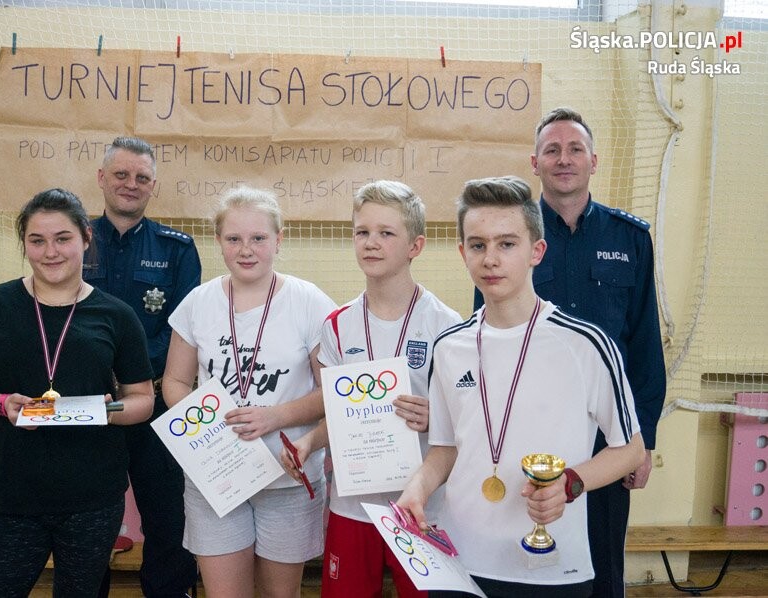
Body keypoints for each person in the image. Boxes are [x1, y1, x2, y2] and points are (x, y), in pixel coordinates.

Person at [399, 176, 645, 598]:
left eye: (507, 244)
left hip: (550, 567)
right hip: (458, 561)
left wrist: (570, 483)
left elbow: (631, 449)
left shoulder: (586, 345)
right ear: (463, 253)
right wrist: (417, 488)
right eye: (478, 245)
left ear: (537, 251)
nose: (491, 259)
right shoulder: (449, 346)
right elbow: (445, 447)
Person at [475, 107, 667, 596]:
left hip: (607, 437)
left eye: (575, 149)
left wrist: (642, 439)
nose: (564, 159)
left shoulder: (630, 239)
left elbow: (644, 346)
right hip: (528, 428)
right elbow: (486, 339)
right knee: (520, 559)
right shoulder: (509, 237)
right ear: (534, 163)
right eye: (553, 149)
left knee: (602, 564)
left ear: (593, 161)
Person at [0, 188, 155, 597]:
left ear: (86, 238)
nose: (50, 252)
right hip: (16, 496)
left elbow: (143, 399)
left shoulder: (117, 315)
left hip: (94, 499)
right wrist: (2, 403)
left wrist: (107, 410)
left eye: (62, 238)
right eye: (37, 240)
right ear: (24, 243)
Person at [279, 180, 461, 598]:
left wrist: (436, 416)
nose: (371, 243)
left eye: (386, 233)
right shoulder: (337, 325)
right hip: (353, 505)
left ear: (415, 245)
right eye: (362, 232)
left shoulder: (447, 326)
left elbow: (467, 421)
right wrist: (308, 443)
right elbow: (339, 415)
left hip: (423, 504)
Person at [162, 185, 337, 598]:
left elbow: (333, 392)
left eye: (258, 238)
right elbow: (174, 382)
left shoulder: (309, 302)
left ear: (278, 239)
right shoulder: (198, 303)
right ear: (218, 241)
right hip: (217, 476)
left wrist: (274, 417)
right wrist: (207, 424)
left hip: (287, 476)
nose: (246, 250)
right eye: (233, 238)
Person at [83, 136, 201, 598]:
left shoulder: (177, 249)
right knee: (89, 518)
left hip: (156, 402)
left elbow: (182, 330)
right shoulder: (74, 241)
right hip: (89, 405)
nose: (131, 184)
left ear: (153, 185)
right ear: (102, 178)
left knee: (167, 515)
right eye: (121, 174)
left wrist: (131, 377)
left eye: (142, 177)